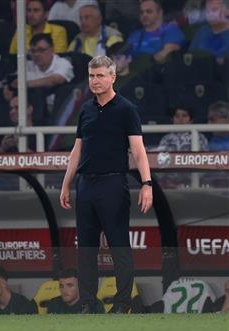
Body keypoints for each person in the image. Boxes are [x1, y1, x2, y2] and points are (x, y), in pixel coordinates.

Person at [59, 55, 153, 314]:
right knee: (86, 249)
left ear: (113, 77)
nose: (95, 80)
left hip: (113, 183)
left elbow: (138, 150)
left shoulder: (126, 109)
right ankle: (88, 302)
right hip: (86, 185)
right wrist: (67, 184)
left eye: (100, 75)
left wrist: (147, 183)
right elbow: (77, 150)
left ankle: (123, 303)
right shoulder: (86, 109)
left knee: (119, 245)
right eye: (91, 76)